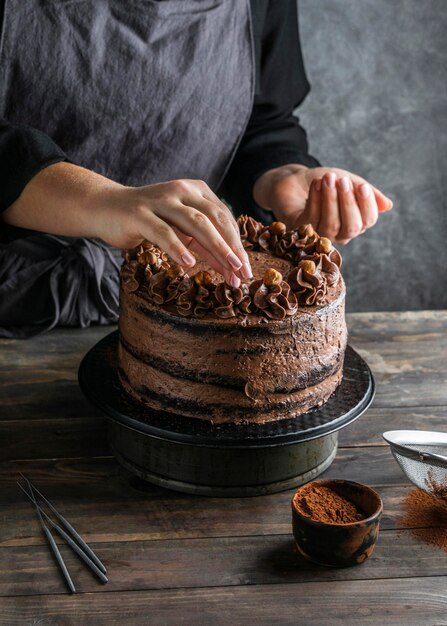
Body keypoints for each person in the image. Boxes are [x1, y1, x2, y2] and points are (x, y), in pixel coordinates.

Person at [0, 0, 392, 338]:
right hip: (15, 302)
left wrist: (279, 175)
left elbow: (262, 120)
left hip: (197, 316)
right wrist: (99, 200)